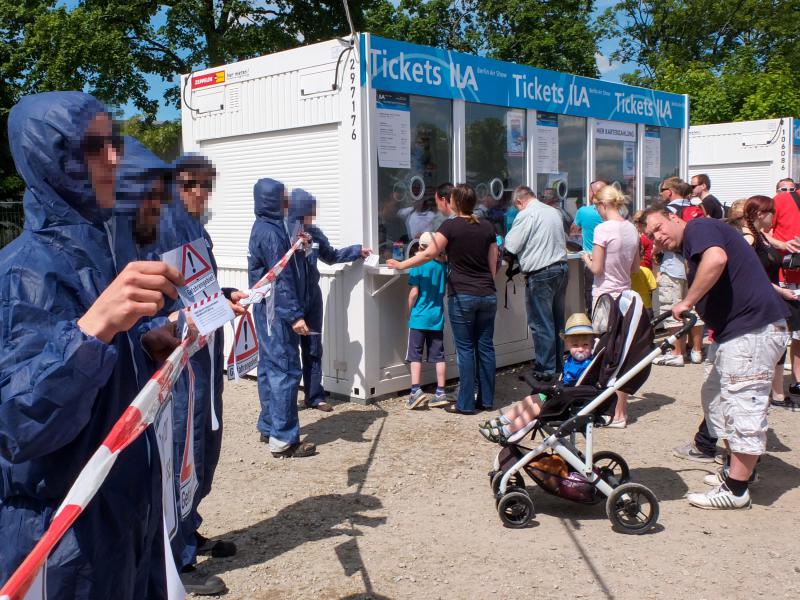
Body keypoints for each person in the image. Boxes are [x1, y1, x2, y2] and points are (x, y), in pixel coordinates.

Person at [0, 91, 184, 597]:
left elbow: (99, 385)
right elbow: (18, 424)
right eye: (95, 146)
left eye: (115, 142)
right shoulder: (24, 272)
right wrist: (93, 329)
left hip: (123, 511)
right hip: (63, 536)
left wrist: (146, 347)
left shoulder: (99, 252)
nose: (114, 158)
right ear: (54, 158)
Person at [644, 203, 789, 509]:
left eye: (658, 229)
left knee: (743, 405)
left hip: (751, 332)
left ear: (673, 218)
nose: (657, 239)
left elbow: (718, 259)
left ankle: (736, 490)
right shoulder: (692, 244)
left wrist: (688, 301)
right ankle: (738, 472)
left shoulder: (699, 228)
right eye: (651, 236)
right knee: (716, 399)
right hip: (737, 334)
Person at [387, 184, 498, 414]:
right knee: (486, 347)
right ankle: (487, 400)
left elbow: (428, 253)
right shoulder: (487, 227)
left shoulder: (450, 226)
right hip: (487, 294)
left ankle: (466, 404)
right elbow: (493, 265)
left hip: (463, 295)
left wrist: (401, 264)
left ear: (455, 202)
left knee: (466, 349)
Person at [248, 178, 316, 458]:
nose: (287, 202)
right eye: (283, 197)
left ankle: (269, 425)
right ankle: (284, 439)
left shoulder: (265, 227)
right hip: (277, 310)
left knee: (268, 367)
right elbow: (282, 278)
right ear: (274, 200)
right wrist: (295, 315)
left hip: (266, 308)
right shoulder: (272, 233)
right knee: (285, 370)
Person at [286, 188, 370, 412]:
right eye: (309, 210)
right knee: (288, 353)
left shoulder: (314, 233)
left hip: (312, 298)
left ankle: (314, 396)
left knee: (313, 348)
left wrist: (356, 251)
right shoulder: (282, 233)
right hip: (290, 299)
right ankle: (285, 402)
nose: (312, 215)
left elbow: (331, 256)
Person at [478, 313, 594, 443]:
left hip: (565, 402)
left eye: (585, 345)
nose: (580, 349)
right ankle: (502, 421)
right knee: (529, 399)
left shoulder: (588, 365)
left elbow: (576, 385)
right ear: (567, 345)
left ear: (592, 344)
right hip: (557, 396)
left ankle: (506, 431)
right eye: (575, 345)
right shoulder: (571, 360)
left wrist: (557, 388)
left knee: (534, 408)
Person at [581, 185, 640, 426]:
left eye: (597, 207)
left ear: (603, 205)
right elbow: (635, 267)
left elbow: (597, 268)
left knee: (604, 352)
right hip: (625, 294)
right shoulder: (631, 228)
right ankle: (621, 411)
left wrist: (587, 258)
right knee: (622, 353)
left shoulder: (603, 229)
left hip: (605, 296)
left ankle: (606, 408)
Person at [506, 186, 568, 382]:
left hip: (541, 272)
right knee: (557, 321)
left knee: (541, 324)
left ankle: (545, 370)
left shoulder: (526, 214)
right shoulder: (553, 212)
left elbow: (511, 245)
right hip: (561, 269)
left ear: (519, 202)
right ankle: (558, 367)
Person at [652, 177, 704, 366]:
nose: (661, 194)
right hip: (695, 267)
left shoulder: (667, 213)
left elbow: (659, 241)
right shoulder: (697, 209)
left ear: (670, 191)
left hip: (673, 266)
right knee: (695, 309)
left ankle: (677, 353)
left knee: (672, 308)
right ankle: (697, 351)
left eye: (662, 190)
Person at [403, 232, 450, 409]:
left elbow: (414, 293)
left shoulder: (418, 265)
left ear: (421, 247)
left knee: (415, 354)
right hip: (436, 316)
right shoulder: (442, 266)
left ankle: (415, 390)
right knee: (439, 355)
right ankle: (440, 391)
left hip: (419, 316)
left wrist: (409, 310)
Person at [764, 180, 800, 402]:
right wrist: (784, 244)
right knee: (781, 334)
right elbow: (761, 233)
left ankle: (797, 381)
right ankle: (776, 390)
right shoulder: (783, 200)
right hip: (785, 279)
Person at [572, 179, 606, 314]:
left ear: (591, 194)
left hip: (592, 260)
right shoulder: (618, 211)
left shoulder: (583, 211)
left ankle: (594, 326)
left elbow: (573, 231)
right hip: (612, 261)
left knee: (592, 295)